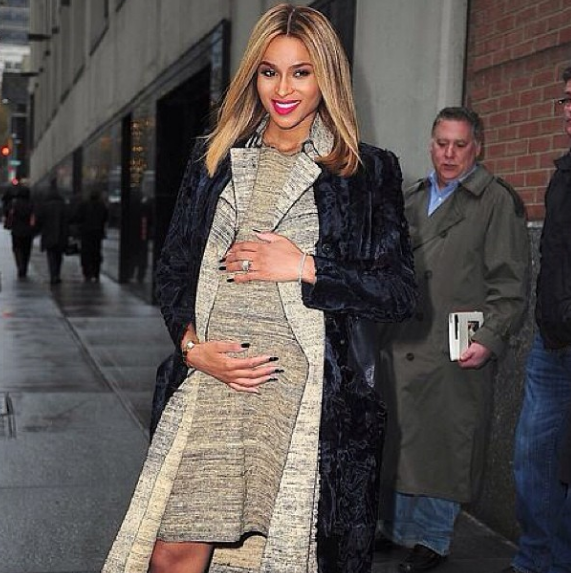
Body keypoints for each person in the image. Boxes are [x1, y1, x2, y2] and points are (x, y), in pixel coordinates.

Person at [102, 4, 417, 573]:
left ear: (327, 76)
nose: (284, 89)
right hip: (213, 384)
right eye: (270, 72)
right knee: (172, 551)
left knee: (277, 555)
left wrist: (306, 266)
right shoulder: (214, 159)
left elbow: (397, 293)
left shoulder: (365, 172)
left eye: (302, 72)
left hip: (299, 400)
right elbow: (173, 271)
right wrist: (192, 349)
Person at [377, 106, 530, 572]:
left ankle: (433, 540)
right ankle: (397, 530)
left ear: (476, 148)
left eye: (459, 145)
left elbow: (510, 283)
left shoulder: (495, 201)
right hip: (404, 339)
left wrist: (490, 337)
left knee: (446, 445)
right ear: (431, 144)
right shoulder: (412, 196)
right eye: (441, 143)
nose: (449, 154)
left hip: (455, 346)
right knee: (401, 440)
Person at [502, 66, 571, 573]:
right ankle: (534, 561)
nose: (570, 111)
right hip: (552, 345)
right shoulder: (562, 175)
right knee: (533, 459)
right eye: (567, 100)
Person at [35, 180, 68, 285]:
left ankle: (53, 274)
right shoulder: (62, 205)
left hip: (48, 234)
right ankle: (57, 274)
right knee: (59, 256)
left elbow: (39, 219)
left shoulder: (45, 206)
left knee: (51, 255)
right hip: (61, 234)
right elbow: (68, 219)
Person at [72, 190, 108, 282]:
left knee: (86, 253)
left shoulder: (83, 205)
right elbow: (105, 218)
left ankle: (87, 272)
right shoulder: (101, 206)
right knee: (96, 252)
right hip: (97, 233)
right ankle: (96, 272)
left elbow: (77, 217)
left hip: (86, 233)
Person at [6, 185, 36, 278]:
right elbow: (34, 217)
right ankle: (25, 267)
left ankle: (20, 265)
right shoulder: (31, 204)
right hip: (28, 231)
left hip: (16, 230)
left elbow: (9, 213)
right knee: (26, 250)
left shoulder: (14, 203)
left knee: (17, 249)